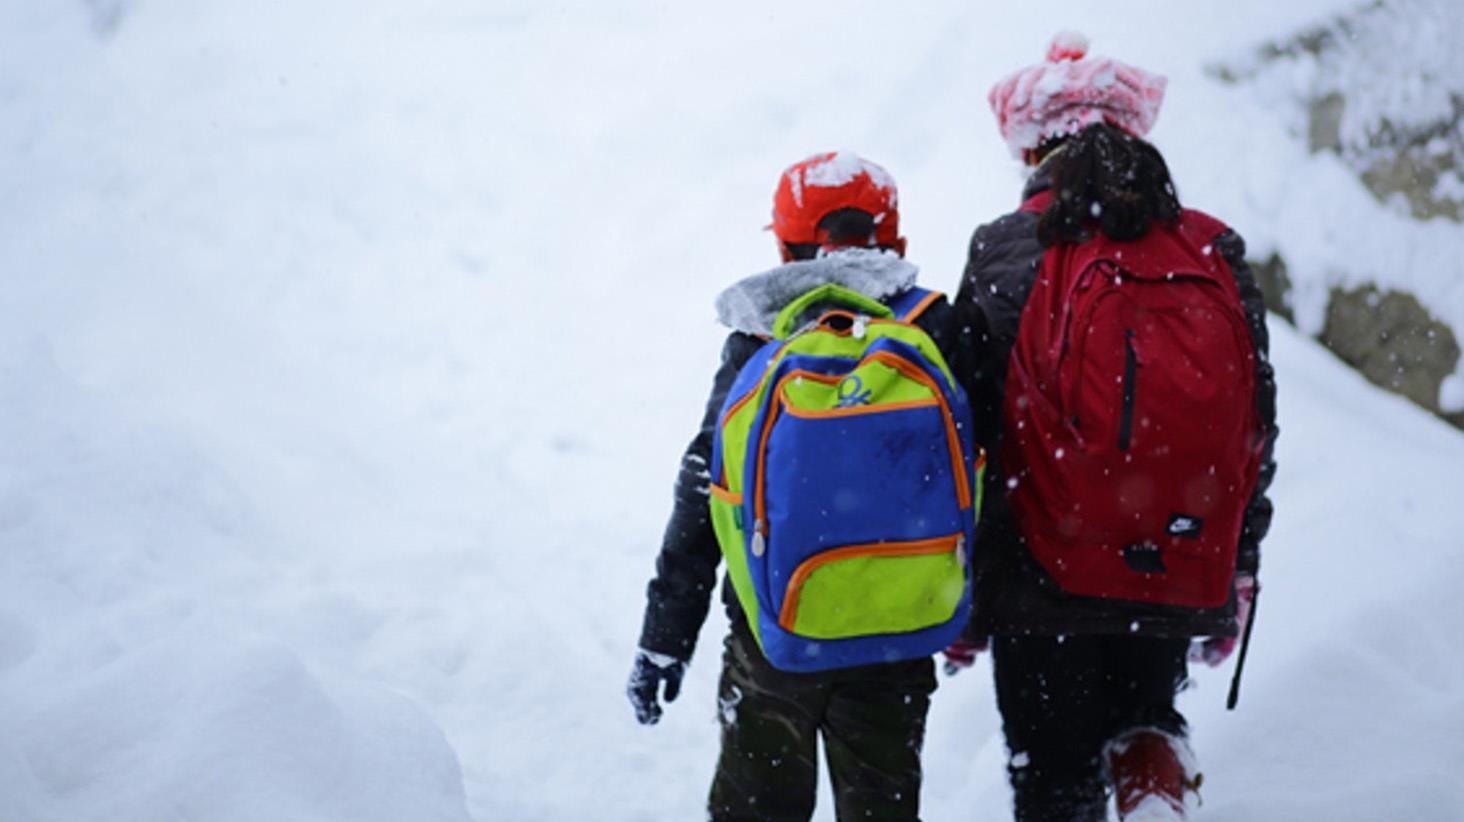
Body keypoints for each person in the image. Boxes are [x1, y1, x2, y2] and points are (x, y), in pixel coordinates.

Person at [943, 33, 1279, 821]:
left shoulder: (1003, 247)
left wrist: (969, 588)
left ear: (1031, 147)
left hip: (1040, 576)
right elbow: (1254, 428)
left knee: (1053, 775)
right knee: (1142, 721)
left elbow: (970, 435)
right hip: (1172, 552)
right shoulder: (1211, 247)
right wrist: (1237, 566)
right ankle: (1153, 772)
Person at [627, 151, 969, 821]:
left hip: (775, 632)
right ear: (892, 241)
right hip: (900, 630)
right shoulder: (932, 327)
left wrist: (666, 633)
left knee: (758, 810)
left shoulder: (761, 337)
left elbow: (705, 484)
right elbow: (977, 475)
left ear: (785, 245)